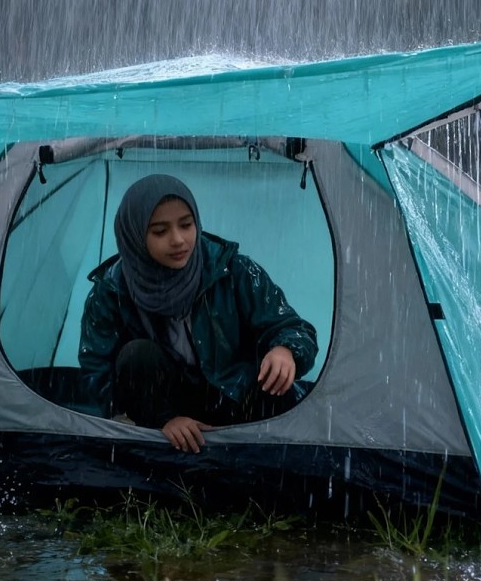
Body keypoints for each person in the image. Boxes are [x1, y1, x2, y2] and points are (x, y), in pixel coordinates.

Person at [78, 174, 318, 454]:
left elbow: (292, 326)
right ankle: (173, 431)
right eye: (159, 231)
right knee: (136, 355)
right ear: (134, 236)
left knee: (278, 388)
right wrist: (160, 418)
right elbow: (96, 370)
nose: (178, 240)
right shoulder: (111, 291)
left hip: (233, 395)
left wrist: (285, 350)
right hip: (165, 407)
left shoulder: (233, 270)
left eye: (186, 225)